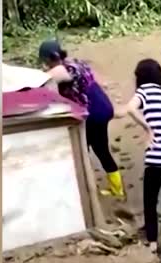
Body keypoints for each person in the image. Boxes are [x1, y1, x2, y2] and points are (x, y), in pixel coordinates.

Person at [114, 59, 161, 254]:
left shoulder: (144, 91)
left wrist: (147, 126)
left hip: (158, 156)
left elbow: (130, 109)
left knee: (150, 200)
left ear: (141, 77)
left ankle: (153, 244)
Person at [38, 39, 126, 199]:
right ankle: (116, 189)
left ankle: (86, 191)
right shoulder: (75, 63)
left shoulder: (60, 70)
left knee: (82, 151)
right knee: (100, 149)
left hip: (93, 113)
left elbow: (41, 82)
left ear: (49, 59)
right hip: (103, 107)